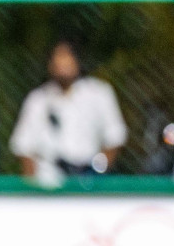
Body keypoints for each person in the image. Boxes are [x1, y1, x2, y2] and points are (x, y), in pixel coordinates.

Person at [10, 39, 126, 184]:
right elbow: (23, 147)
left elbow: (115, 137)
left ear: (78, 60)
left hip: (88, 183)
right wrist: (33, 190)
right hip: (49, 183)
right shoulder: (38, 100)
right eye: (58, 57)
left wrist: (96, 172)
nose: (62, 63)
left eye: (67, 56)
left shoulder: (99, 93)